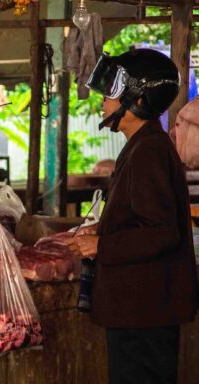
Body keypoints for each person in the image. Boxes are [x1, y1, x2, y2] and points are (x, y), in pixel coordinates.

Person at [70, 49, 198, 384]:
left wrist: (102, 244)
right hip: (140, 309)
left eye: (111, 92)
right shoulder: (143, 145)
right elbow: (143, 218)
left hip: (145, 312)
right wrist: (105, 226)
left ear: (138, 99)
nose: (103, 101)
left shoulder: (149, 151)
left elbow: (160, 232)